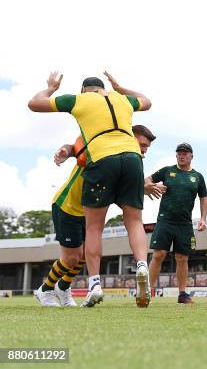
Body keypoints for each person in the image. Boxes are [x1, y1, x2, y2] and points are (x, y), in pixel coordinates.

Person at [28, 72, 153, 308]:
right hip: (71, 202)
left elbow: (34, 103)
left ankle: (84, 285)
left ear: (84, 91)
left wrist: (51, 88)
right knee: (78, 253)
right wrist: (120, 87)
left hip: (99, 175)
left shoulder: (81, 103)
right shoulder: (122, 104)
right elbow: (146, 100)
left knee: (87, 242)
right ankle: (141, 265)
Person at [146, 143, 207, 304]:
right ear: (176, 156)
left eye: (185, 153)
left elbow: (204, 198)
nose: (181, 156)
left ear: (191, 156)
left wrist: (203, 218)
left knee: (182, 258)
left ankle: (182, 294)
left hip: (184, 224)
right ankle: (146, 292)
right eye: (179, 153)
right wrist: (153, 185)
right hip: (165, 220)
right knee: (159, 254)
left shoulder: (198, 177)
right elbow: (147, 179)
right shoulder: (167, 171)